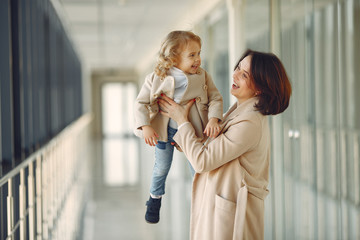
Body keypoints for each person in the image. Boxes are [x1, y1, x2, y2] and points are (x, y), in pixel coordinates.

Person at [158, 49, 292, 239]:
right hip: (221, 206)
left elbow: (203, 161)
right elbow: (211, 147)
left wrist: (182, 120)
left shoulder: (249, 122)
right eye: (238, 67)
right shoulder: (239, 110)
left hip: (232, 217)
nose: (235, 74)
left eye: (244, 74)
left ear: (260, 88)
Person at [133, 30, 223, 224]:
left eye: (199, 53)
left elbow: (215, 97)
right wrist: (145, 125)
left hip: (192, 131)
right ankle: (154, 199)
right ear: (173, 58)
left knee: (198, 168)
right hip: (164, 131)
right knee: (161, 167)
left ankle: (202, 203)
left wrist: (214, 119)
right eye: (192, 55)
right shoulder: (156, 77)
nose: (198, 59)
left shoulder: (202, 76)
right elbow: (140, 103)